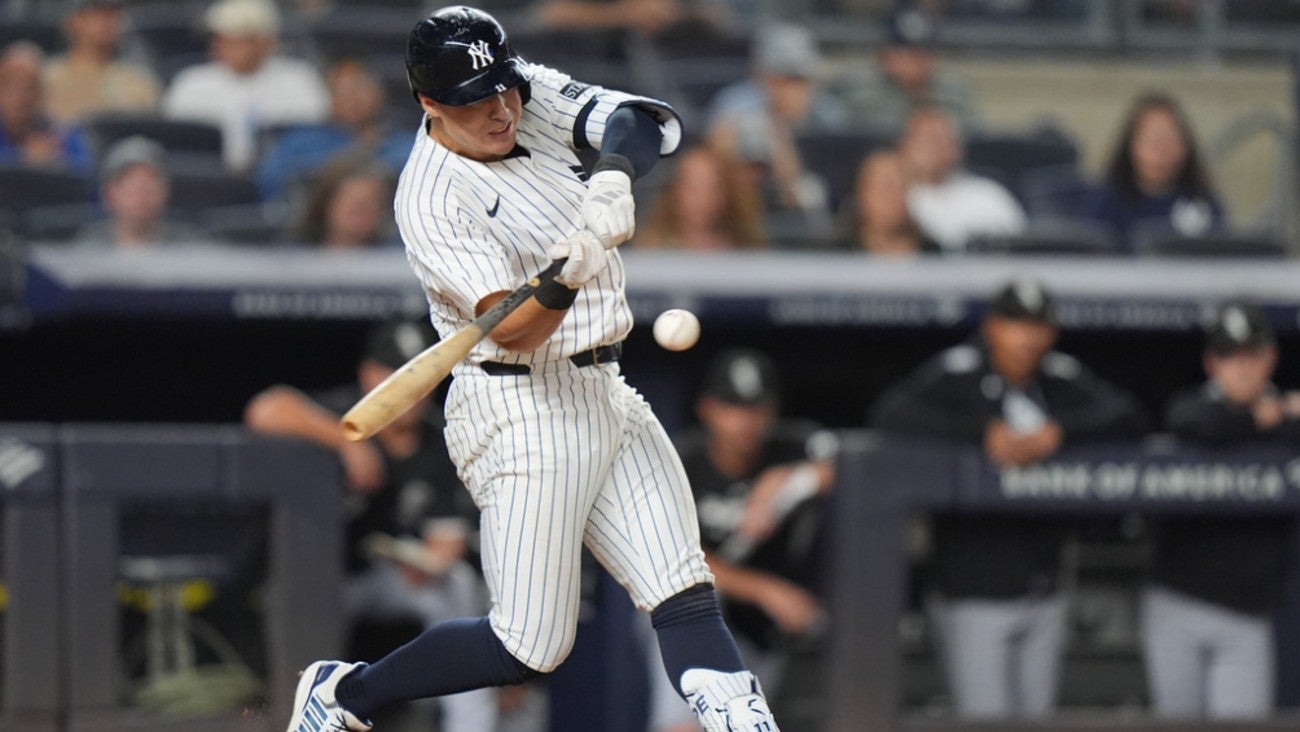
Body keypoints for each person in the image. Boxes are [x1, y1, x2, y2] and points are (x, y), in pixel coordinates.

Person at [286, 7, 782, 732]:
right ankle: (343, 695)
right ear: (429, 103)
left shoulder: (522, 92)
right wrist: (569, 271)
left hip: (603, 385)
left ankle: (743, 719)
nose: (501, 111)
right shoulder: (430, 198)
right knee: (529, 647)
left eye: (504, 89)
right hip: (519, 409)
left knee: (683, 588)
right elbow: (513, 332)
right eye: (476, 101)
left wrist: (612, 179)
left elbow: (643, 121)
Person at [870, 277, 1148, 719]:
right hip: (971, 589)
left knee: (1036, 718)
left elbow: (1129, 416)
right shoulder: (959, 372)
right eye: (1016, 324)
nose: (1027, 337)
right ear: (993, 326)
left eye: (1037, 325)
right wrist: (980, 434)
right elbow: (891, 415)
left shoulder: (1059, 377)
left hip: (1045, 585)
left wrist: (1059, 433)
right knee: (985, 718)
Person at [246, 319, 534, 732]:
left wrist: (430, 561)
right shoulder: (348, 413)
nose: (409, 391)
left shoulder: (443, 438)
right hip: (326, 578)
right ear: (369, 374)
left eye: (418, 377)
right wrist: (345, 441)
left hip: (390, 576)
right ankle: (301, 716)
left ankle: (470, 726)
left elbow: (447, 538)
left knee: (455, 584)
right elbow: (265, 409)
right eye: (395, 374)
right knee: (293, 597)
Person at [645, 348, 836, 732]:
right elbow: (668, 562)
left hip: (768, 628)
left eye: (756, 408)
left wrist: (786, 482)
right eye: (732, 407)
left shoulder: (794, 446)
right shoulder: (680, 461)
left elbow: (853, 461)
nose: (745, 421)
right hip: (698, 608)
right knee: (680, 603)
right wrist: (767, 591)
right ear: (708, 409)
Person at [1146, 302, 1298, 719]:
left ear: (1271, 357)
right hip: (1177, 603)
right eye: (1230, 355)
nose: (1242, 367)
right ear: (1212, 362)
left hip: (1246, 615)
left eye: (1252, 354)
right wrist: (1264, 418)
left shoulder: (1288, 415)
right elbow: (1194, 422)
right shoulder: (1193, 406)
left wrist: (1280, 413)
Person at [706, 23, 847, 230]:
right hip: (740, 207)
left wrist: (787, 131)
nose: (786, 89)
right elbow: (713, 160)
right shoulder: (734, 104)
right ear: (760, 76)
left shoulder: (827, 113)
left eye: (796, 79)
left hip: (804, 214)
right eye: (778, 78)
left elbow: (831, 186)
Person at [161, 0, 329, 171]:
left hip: (281, 176)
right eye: (219, 39)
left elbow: (313, 143)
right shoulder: (191, 83)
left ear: (264, 42)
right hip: (211, 177)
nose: (222, 46)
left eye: (237, 39)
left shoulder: (299, 80)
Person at [1079, 93, 1225, 254]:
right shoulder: (1105, 203)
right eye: (1152, 141)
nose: (1160, 151)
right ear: (1131, 146)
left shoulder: (1203, 203)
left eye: (1169, 141)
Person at [256, 57, 414, 201]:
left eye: (359, 89)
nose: (352, 99)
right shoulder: (300, 142)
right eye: (342, 91)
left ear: (378, 92)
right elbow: (269, 182)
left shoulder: (407, 143)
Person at [828, 7, 979, 139]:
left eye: (920, 53)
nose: (912, 63)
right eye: (902, 53)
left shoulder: (955, 96)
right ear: (883, 54)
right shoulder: (854, 92)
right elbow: (829, 141)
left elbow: (978, 142)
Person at [897, 104, 1025, 253]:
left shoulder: (989, 196)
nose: (933, 149)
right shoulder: (889, 198)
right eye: (924, 140)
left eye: (941, 140)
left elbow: (1020, 251)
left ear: (957, 149)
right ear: (904, 145)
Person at [41, 0, 162, 126]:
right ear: (73, 20)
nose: (107, 21)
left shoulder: (140, 81)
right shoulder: (47, 79)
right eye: (97, 13)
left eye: (112, 13)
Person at [73, 135, 206, 248]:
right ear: (108, 193)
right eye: (130, 186)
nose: (140, 196)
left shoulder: (191, 248)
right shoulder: (86, 249)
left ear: (165, 191)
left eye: (149, 186)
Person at [635, 142, 766, 250]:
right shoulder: (650, 250)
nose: (702, 198)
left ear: (726, 193)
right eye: (692, 187)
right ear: (674, 191)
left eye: (711, 188)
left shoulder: (746, 251)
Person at [0, 41, 92, 173]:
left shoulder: (62, 134)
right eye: (9, 83)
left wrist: (56, 160)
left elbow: (86, 173)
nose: (19, 94)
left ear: (42, 92)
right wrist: (23, 158)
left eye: (30, 86)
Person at [838, 148, 935, 255]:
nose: (896, 196)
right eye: (887, 187)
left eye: (903, 187)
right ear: (862, 193)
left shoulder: (933, 253)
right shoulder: (835, 253)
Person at [291, 157, 399, 249]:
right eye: (352, 199)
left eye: (370, 204)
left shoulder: (396, 257)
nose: (359, 211)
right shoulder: (291, 253)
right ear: (327, 202)